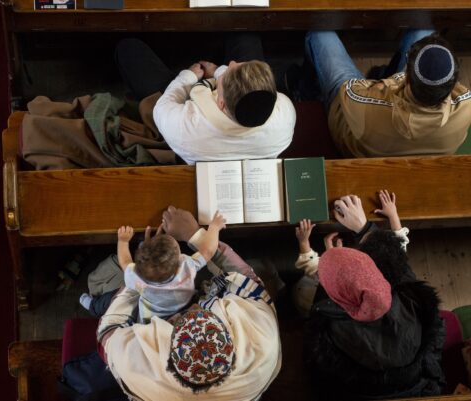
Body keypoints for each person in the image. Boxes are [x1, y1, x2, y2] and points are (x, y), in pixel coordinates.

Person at [95, 206, 282, 400]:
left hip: (145, 303)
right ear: (226, 332)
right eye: (200, 309)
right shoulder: (263, 340)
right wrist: (192, 238)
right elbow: (250, 280)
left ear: (169, 339)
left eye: (186, 314)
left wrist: (148, 272)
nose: (193, 306)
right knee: (264, 267)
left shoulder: (134, 367)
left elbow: (107, 333)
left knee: (96, 284)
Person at [292, 191, 445, 400]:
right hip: (411, 387)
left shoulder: (327, 327)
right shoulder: (413, 306)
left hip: (350, 388)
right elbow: (400, 267)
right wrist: (364, 231)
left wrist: (335, 260)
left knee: (300, 292)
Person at [115, 34, 296, 165]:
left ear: (221, 102)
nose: (231, 63)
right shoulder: (285, 113)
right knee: (246, 37)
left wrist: (188, 76)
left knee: (128, 48)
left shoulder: (184, 125)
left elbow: (164, 105)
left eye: (227, 73)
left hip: (191, 137)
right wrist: (219, 72)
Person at [304, 30, 471, 157]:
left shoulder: (367, 104)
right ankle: (387, 71)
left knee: (321, 35)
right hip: (419, 148)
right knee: (423, 32)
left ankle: (306, 87)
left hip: (355, 144)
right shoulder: (466, 103)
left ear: (407, 78)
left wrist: (394, 79)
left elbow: (350, 88)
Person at [107, 211, 225, 324]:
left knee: (106, 300)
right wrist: (214, 227)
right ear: (180, 259)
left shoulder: (137, 277)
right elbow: (208, 250)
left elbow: (125, 262)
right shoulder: (187, 266)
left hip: (151, 320)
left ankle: (91, 303)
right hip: (183, 309)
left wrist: (123, 241)